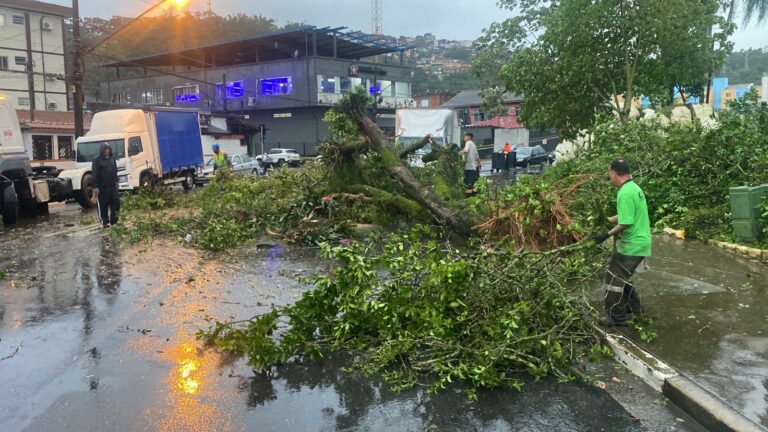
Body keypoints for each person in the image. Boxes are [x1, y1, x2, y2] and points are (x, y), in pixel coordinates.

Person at [591, 158, 651, 326]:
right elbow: (627, 214)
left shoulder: (624, 192)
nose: (609, 177)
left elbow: (626, 222)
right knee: (622, 277)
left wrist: (606, 234)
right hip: (639, 243)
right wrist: (608, 219)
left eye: (609, 173)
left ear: (614, 173)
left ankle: (616, 316)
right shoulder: (633, 188)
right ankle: (635, 309)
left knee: (613, 278)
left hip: (632, 245)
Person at [91, 143, 120, 228]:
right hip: (102, 188)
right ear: (102, 150)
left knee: (116, 203)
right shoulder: (97, 160)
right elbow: (94, 173)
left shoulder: (112, 158)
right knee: (103, 205)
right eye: (105, 149)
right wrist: (95, 186)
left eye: (108, 149)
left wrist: (117, 181)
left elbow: (115, 170)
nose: (107, 151)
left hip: (112, 186)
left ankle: (114, 221)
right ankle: (105, 221)